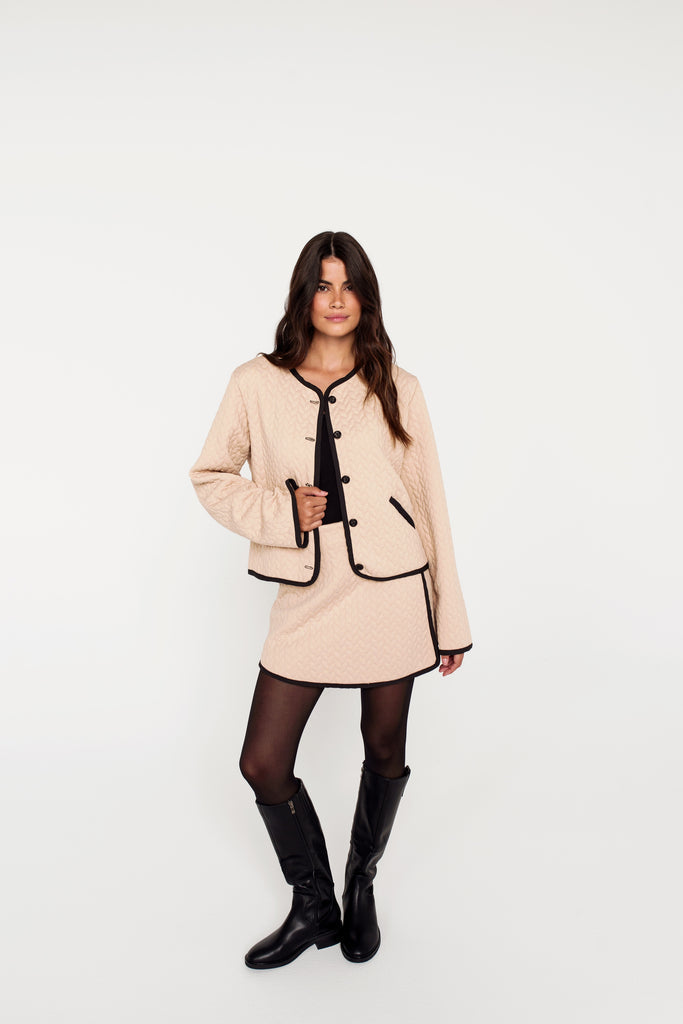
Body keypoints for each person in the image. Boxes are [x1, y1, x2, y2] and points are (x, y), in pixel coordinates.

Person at [188, 230, 473, 970]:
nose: (336, 300)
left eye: (348, 286)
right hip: (308, 597)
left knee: (385, 749)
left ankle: (360, 885)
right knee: (263, 761)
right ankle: (313, 903)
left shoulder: (398, 386)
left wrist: (449, 618)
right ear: (304, 295)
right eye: (322, 285)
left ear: (365, 297)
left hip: (392, 595)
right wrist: (282, 511)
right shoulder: (255, 382)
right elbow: (210, 476)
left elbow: (431, 504)